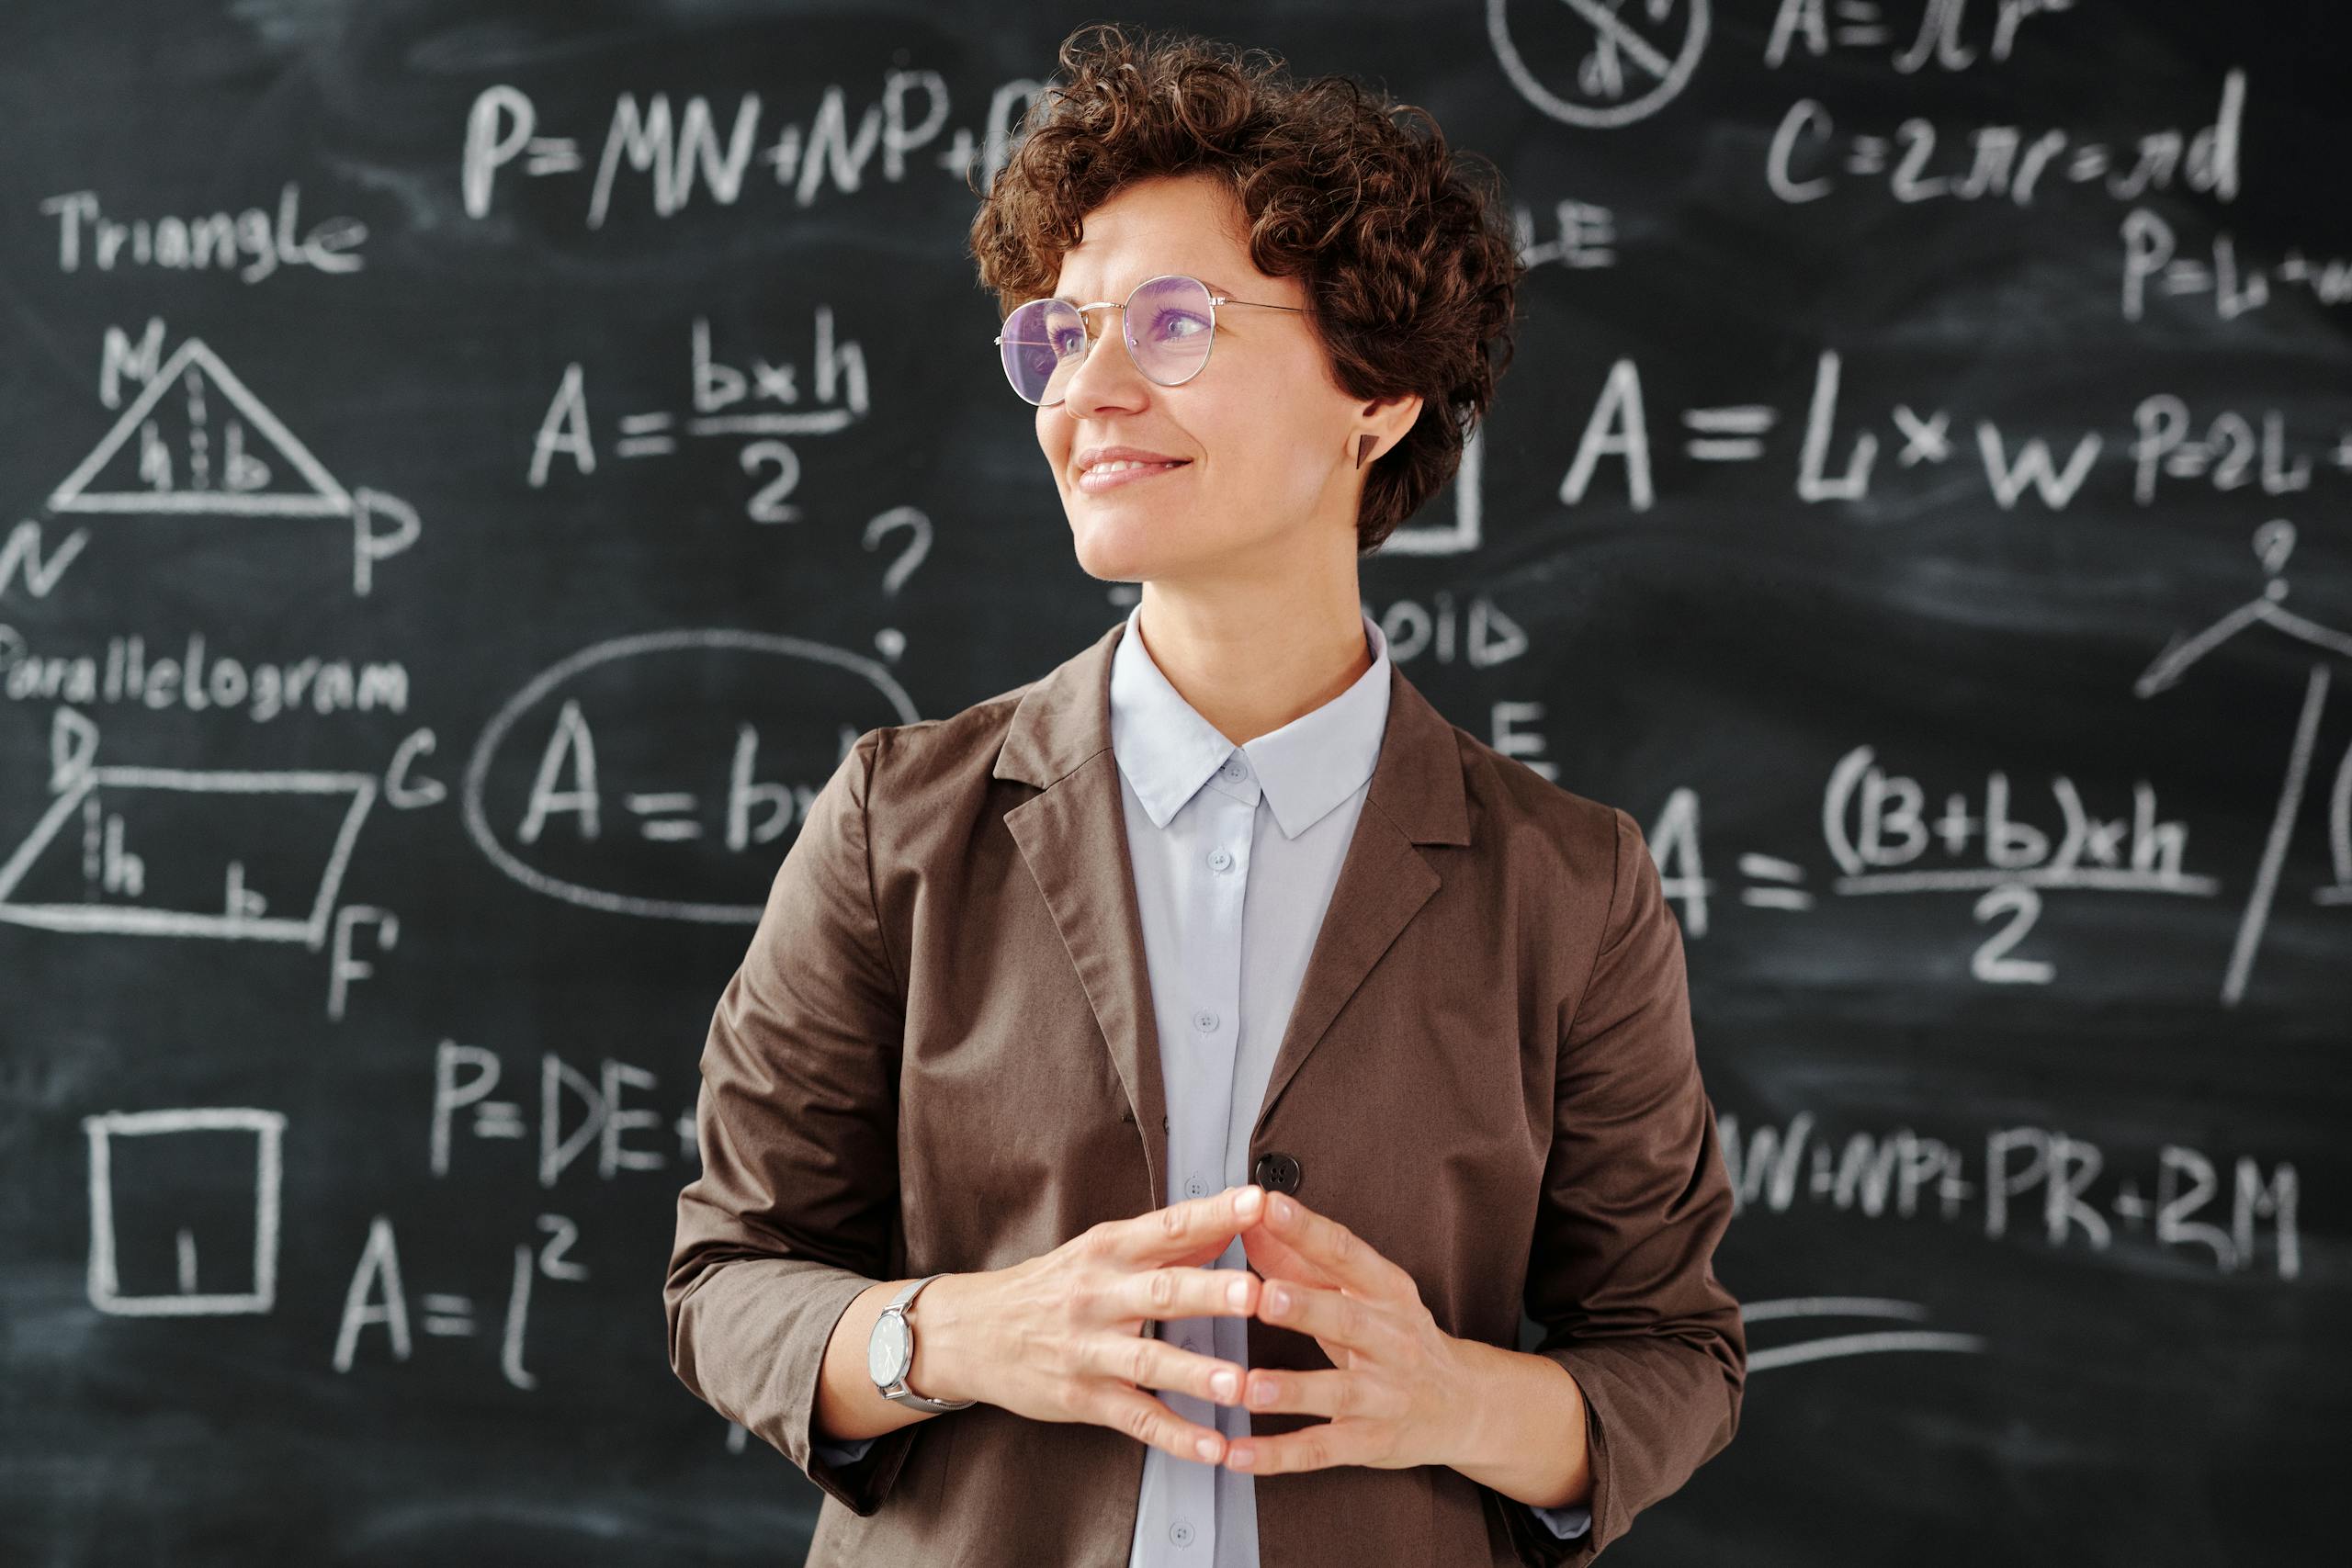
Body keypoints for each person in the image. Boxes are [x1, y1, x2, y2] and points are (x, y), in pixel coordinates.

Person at [664, 22, 1744, 1568]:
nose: (1087, 390)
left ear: (1375, 398)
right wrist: (971, 1335)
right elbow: (727, 1281)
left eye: (1172, 323)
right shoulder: (901, 821)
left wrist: (1449, 1399)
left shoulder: (1570, 885)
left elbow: (1673, 1356)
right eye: (1061, 332)